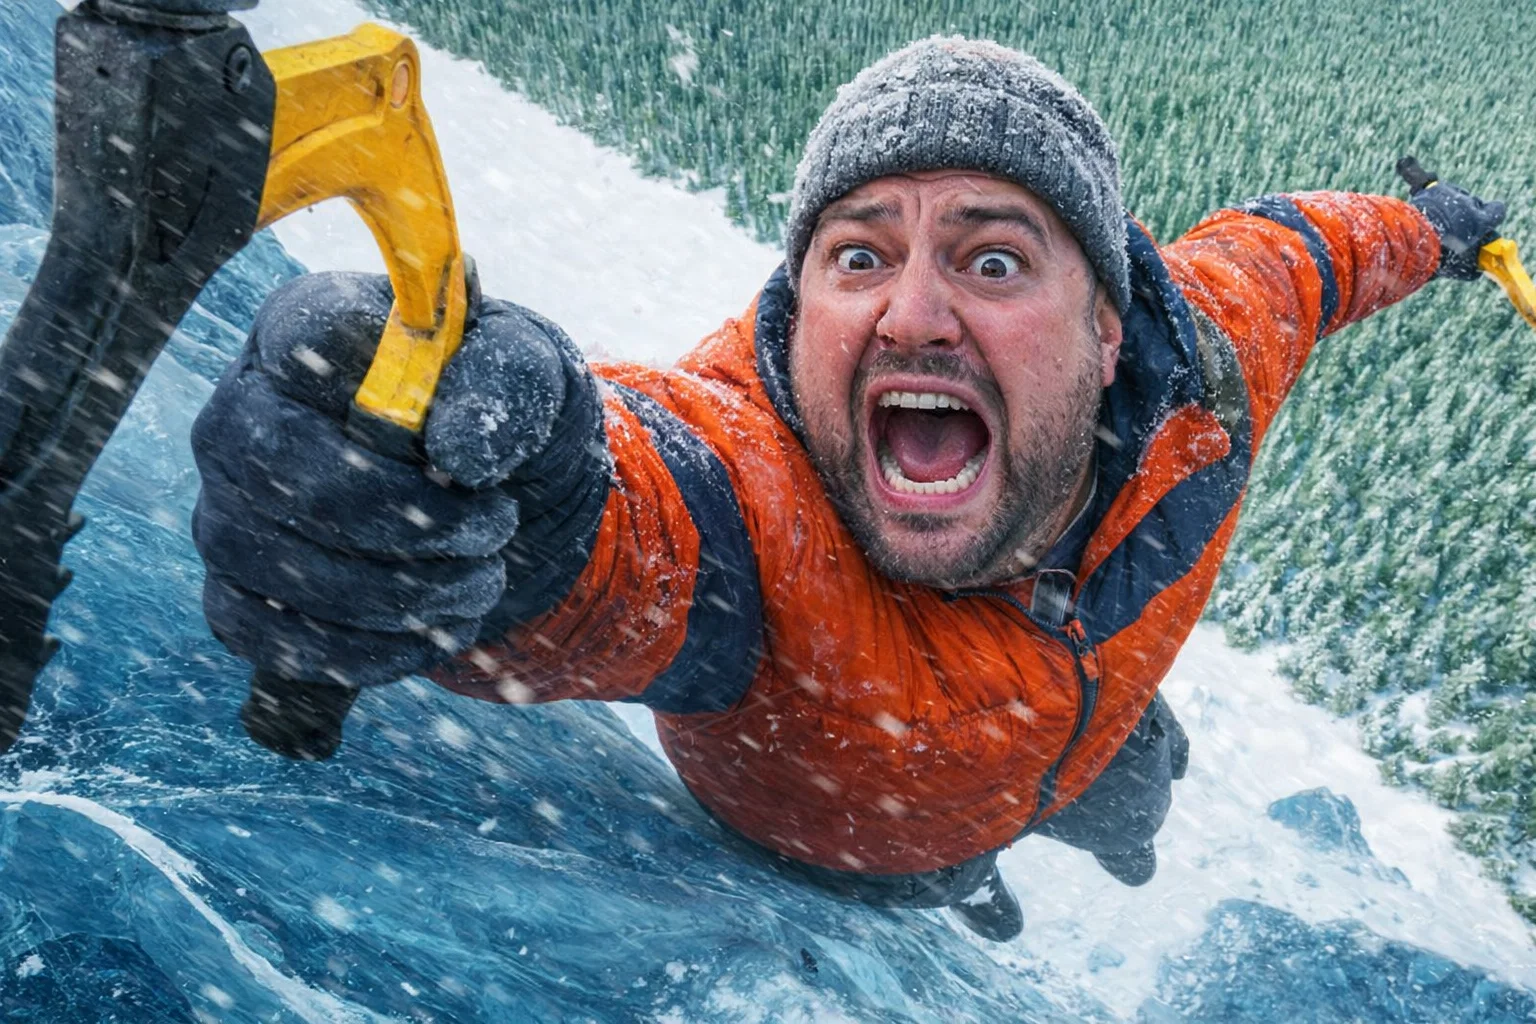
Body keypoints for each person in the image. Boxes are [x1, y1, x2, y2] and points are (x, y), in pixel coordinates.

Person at [190, 37, 1506, 941]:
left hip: (1079, 724)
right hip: (856, 839)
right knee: (947, 883)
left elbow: (1314, 251)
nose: (914, 315)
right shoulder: (752, 509)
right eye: (858, 254)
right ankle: (972, 889)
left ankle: (1092, 841)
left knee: (1137, 788)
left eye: (993, 261)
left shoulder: (1206, 354)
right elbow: (636, 520)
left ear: (1111, 329)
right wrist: (479, 517)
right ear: (799, 308)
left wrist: (1440, 233)